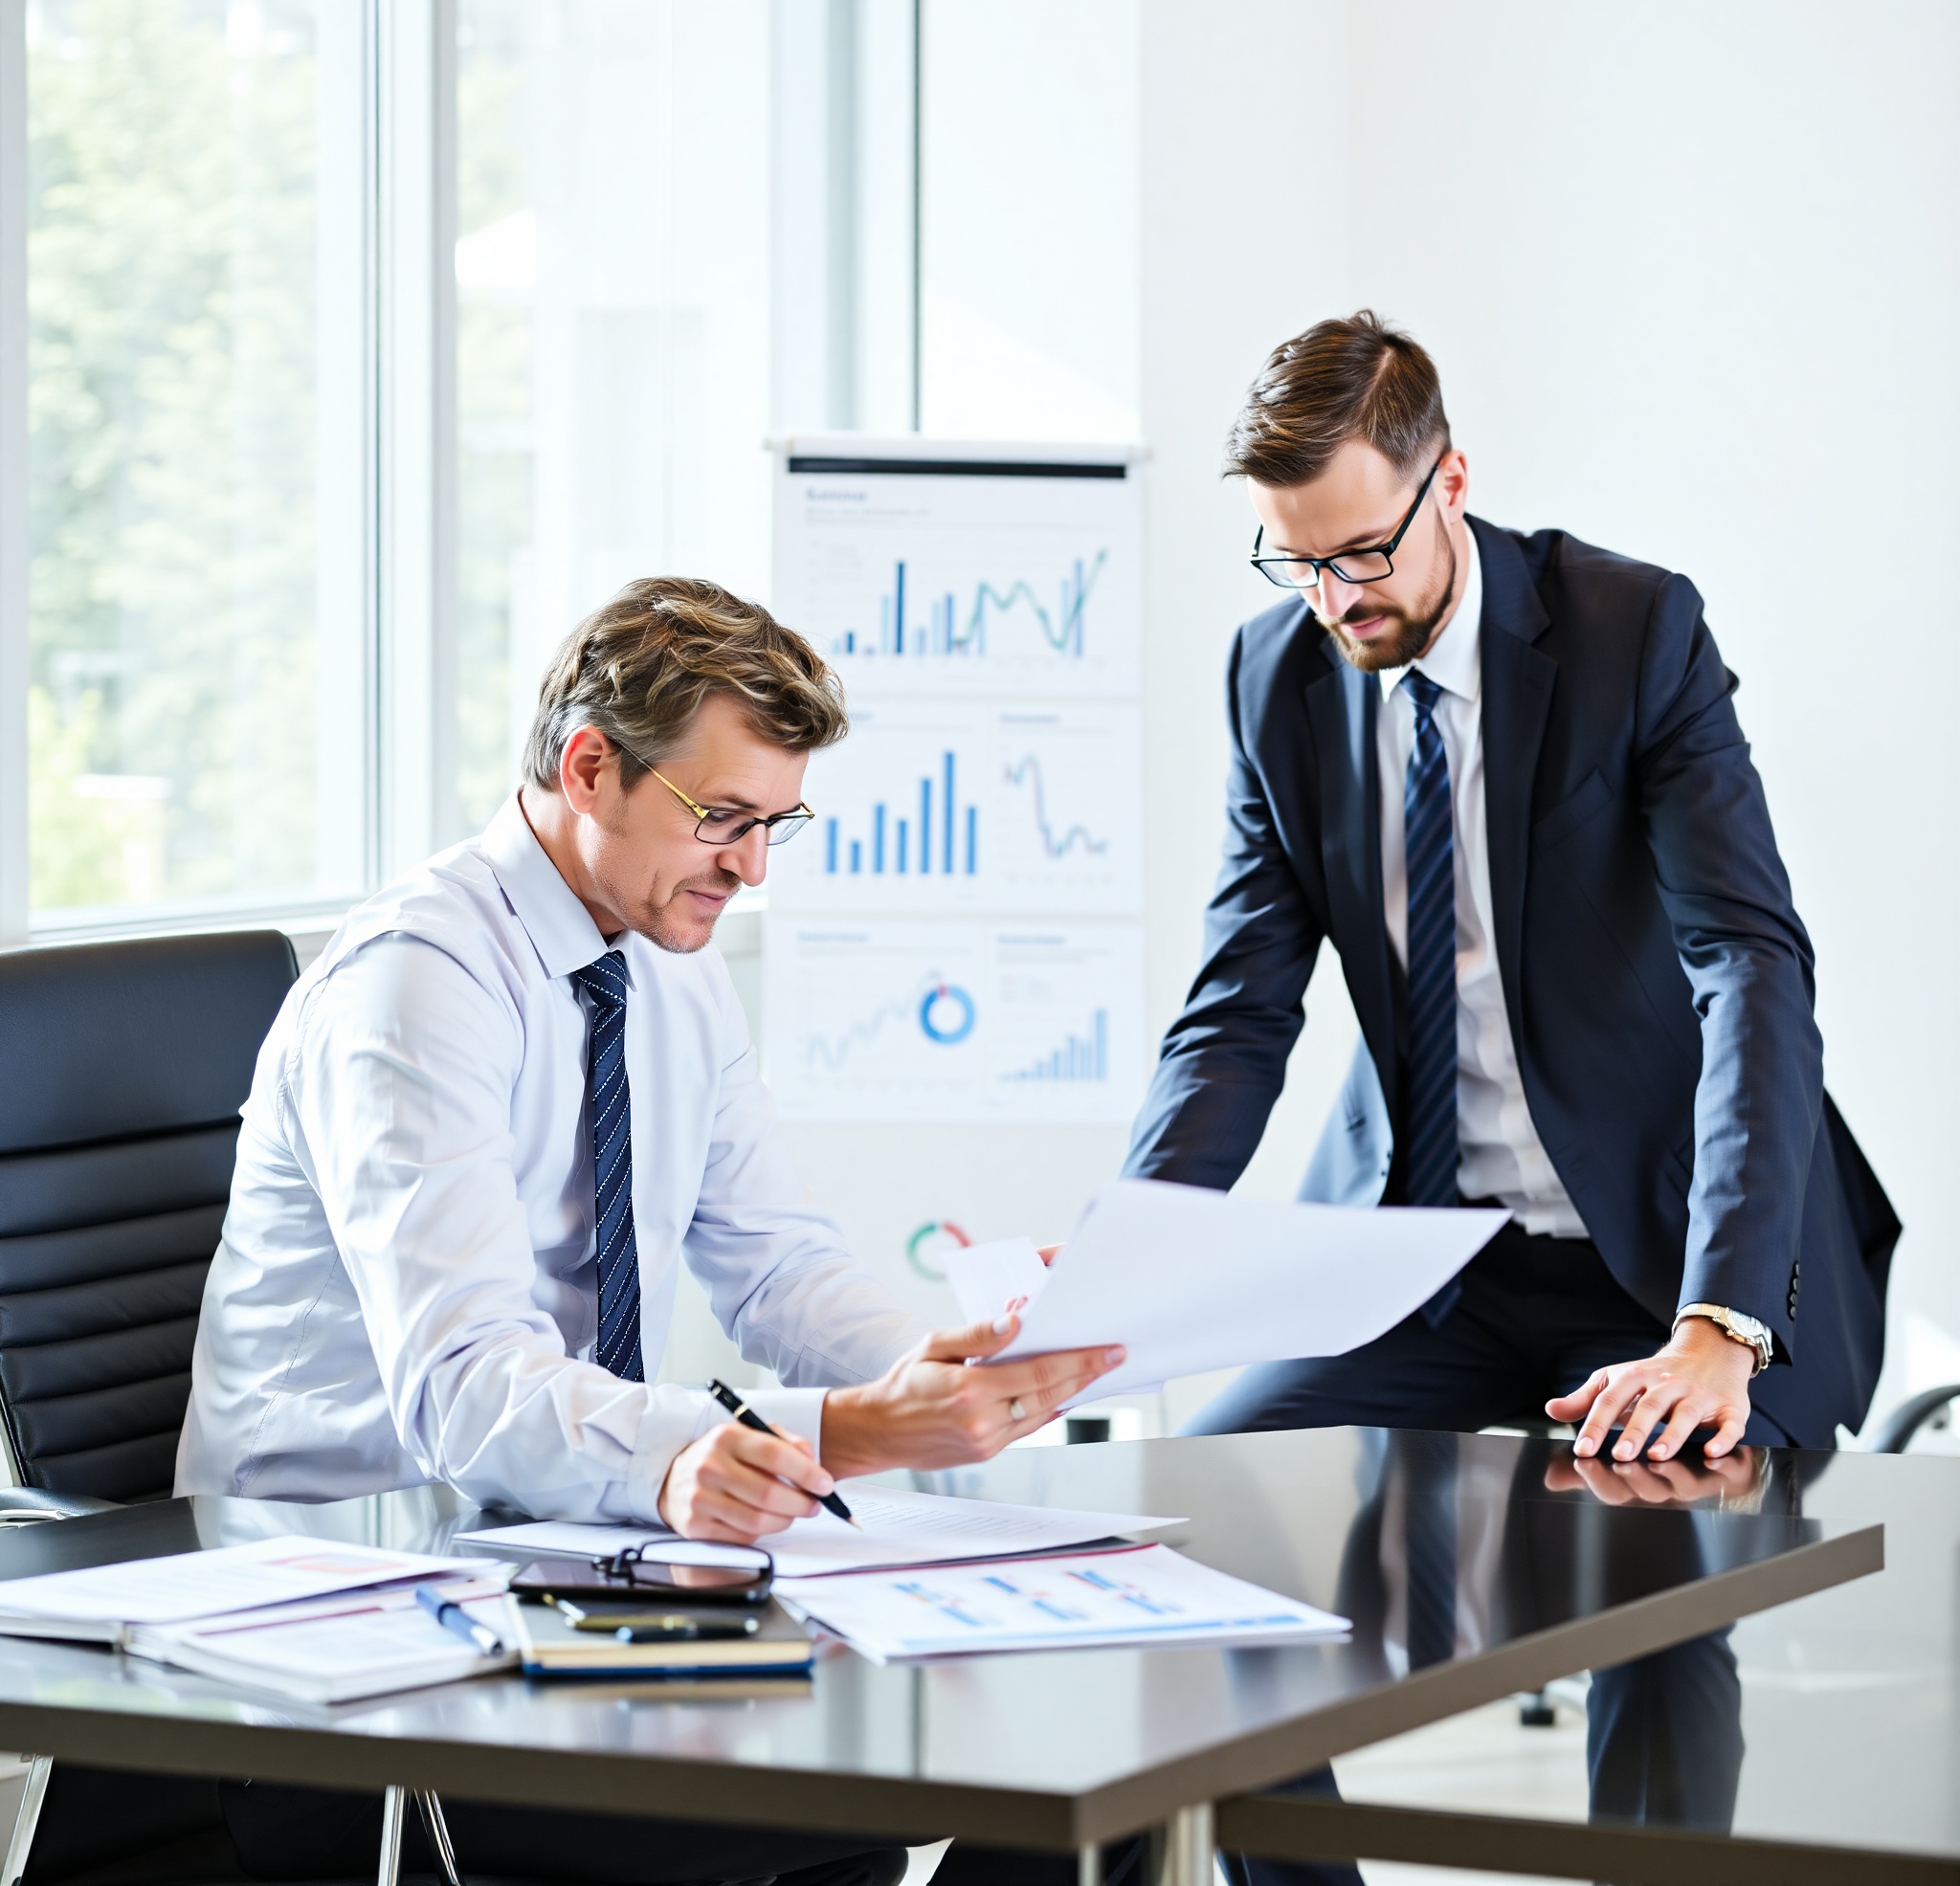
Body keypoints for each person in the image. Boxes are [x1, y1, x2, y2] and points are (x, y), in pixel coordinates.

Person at [176, 576, 1123, 1885]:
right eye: (723, 817)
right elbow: (466, 1389)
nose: (750, 868)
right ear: (589, 766)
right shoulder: (417, 987)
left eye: (776, 824)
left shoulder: (668, 964)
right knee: (960, 1776)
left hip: (576, 1569)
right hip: (366, 1628)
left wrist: (948, 1365)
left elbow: (779, 1267)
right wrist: (794, 1440)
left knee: (1108, 1751)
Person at [1125, 310, 1898, 1460]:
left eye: (1362, 553)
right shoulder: (1273, 678)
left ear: (1450, 479)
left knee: (1646, 1577)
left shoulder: (1631, 632)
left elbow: (1748, 968)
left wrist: (1717, 1321)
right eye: (1295, 561)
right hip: (1417, 1264)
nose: (1333, 600)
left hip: (1659, 1258)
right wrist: (1129, 1250)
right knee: (1214, 1495)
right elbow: (1236, 1008)